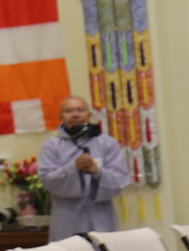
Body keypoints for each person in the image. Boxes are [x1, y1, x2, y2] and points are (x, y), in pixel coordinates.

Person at [38, 96, 130, 241]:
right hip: (66, 220)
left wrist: (97, 171)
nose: (75, 115)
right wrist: (73, 167)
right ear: (61, 117)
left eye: (80, 110)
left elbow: (120, 181)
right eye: (69, 111)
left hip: (101, 219)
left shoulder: (107, 143)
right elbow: (47, 181)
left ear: (89, 115)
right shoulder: (51, 146)